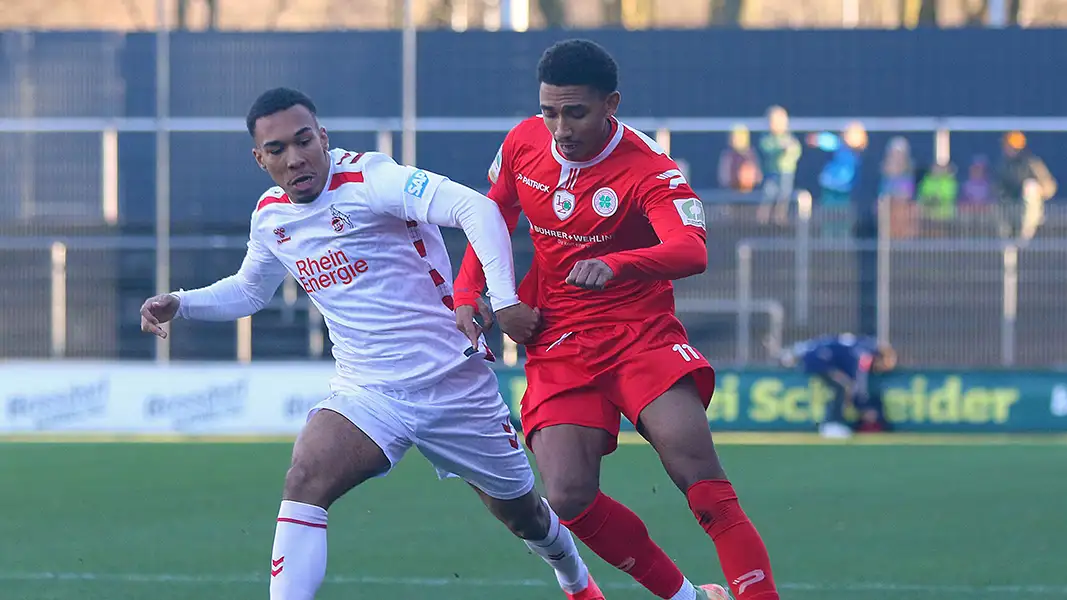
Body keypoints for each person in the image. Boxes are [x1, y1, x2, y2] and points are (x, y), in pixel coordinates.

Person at [138, 87, 606, 600]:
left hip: (453, 386)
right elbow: (251, 290)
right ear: (260, 159)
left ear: (323, 137)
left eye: (304, 141)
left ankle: (576, 581)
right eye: (277, 150)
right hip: (368, 391)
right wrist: (181, 303)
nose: (295, 158)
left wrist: (504, 297)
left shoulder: (373, 180)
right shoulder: (271, 216)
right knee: (305, 477)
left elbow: (479, 210)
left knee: (527, 517)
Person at [453, 40, 780, 600]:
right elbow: (493, 214)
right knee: (568, 497)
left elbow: (691, 249)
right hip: (557, 338)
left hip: (639, 336)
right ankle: (686, 598)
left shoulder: (649, 168)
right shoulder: (524, 143)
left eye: (575, 112)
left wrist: (617, 263)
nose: (560, 127)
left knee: (701, 483)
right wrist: (471, 293)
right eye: (549, 111)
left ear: (611, 105)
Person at [779, 334, 897, 438]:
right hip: (818, 360)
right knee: (842, 387)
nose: (881, 369)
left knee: (843, 387)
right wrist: (862, 407)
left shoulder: (865, 345)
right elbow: (858, 382)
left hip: (816, 357)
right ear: (879, 358)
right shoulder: (865, 354)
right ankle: (831, 424)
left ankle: (832, 423)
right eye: (883, 365)